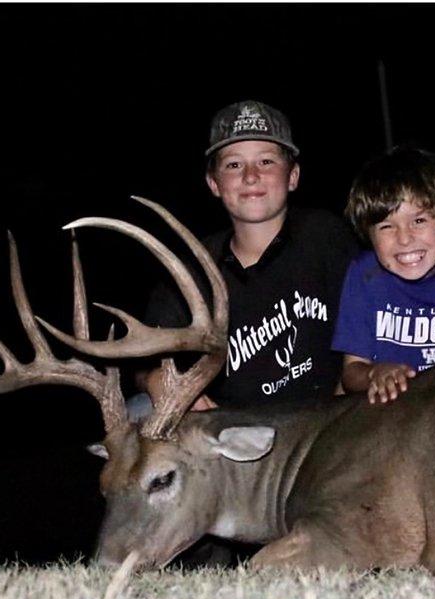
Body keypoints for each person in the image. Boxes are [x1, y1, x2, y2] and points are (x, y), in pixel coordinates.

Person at [133, 100, 360, 416]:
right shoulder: (193, 270)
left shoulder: (326, 237)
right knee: (139, 410)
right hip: (231, 437)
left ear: (293, 176)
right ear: (214, 183)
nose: (251, 176)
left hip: (323, 426)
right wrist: (159, 381)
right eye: (234, 165)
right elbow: (144, 362)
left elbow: (366, 327)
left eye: (266, 161)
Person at [333, 147, 435, 403]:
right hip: (387, 412)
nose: (404, 239)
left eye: (419, 221)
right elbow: (351, 372)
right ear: (368, 236)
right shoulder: (364, 274)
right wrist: (374, 373)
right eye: (386, 226)